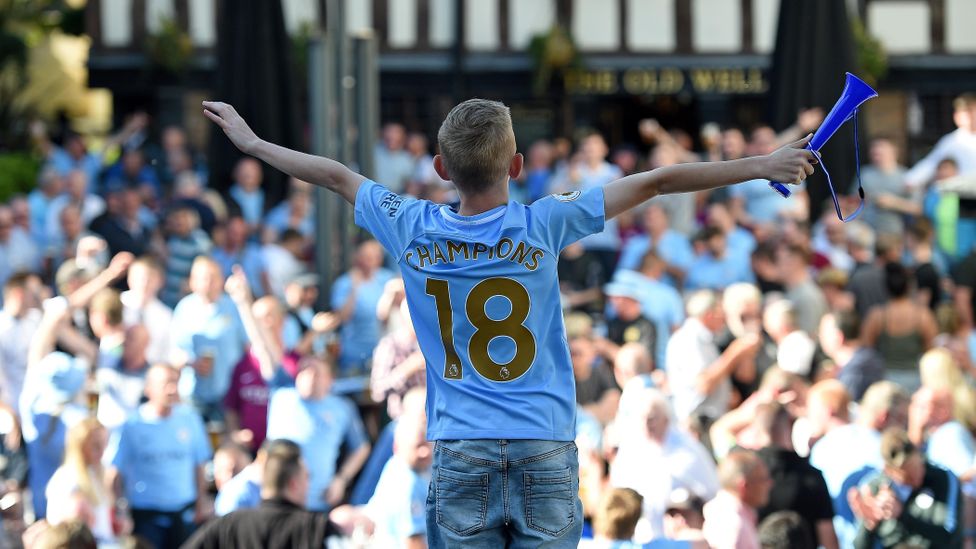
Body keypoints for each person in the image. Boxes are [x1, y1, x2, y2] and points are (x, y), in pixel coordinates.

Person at [204, 97, 817, 548]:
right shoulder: (544, 222)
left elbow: (335, 174)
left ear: (442, 168)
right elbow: (658, 181)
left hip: (461, 449)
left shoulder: (410, 223)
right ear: (517, 164)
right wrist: (760, 163)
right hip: (544, 449)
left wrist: (254, 144)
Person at [106, 364, 212, 548]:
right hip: (146, 515)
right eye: (165, 384)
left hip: (183, 513)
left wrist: (201, 499)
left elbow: (199, 464)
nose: (171, 389)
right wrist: (119, 509)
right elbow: (114, 471)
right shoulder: (133, 425)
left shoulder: (190, 419)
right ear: (149, 389)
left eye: (174, 382)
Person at [183, 439, 336, 549]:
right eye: (308, 477)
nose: (310, 484)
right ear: (293, 484)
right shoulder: (315, 528)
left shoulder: (229, 523)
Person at [850, 428, 963, 548]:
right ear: (889, 471)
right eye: (906, 475)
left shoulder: (942, 478)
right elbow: (859, 546)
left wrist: (902, 515)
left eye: (917, 468)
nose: (916, 477)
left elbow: (950, 537)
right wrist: (869, 524)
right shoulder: (875, 487)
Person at [45, 418, 117, 544]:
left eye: (104, 444)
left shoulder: (96, 475)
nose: (102, 451)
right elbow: (66, 527)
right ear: (80, 445)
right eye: (95, 445)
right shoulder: (67, 478)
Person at [703, 449, 773, 549]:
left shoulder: (720, 512)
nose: (770, 484)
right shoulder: (734, 525)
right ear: (744, 486)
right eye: (763, 479)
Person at [818, 309, 885, 401]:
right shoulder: (868, 358)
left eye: (823, 332)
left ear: (838, 337)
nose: (820, 337)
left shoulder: (856, 371)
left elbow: (846, 409)